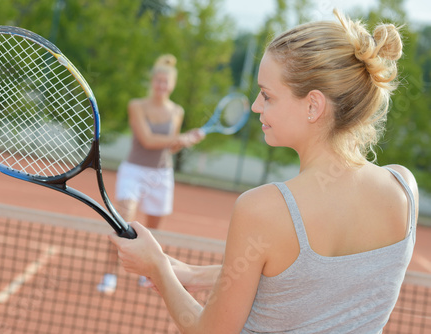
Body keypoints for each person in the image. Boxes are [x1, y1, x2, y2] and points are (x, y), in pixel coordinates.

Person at [109, 9, 419, 333]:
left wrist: (157, 267)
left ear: (313, 105)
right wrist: (194, 275)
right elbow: (311, 283)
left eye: (267, 95)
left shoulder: (264, 210)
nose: (256, 105)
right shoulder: (403, 189)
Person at [97, 54, 205, 294]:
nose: (161, 85)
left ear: (172, 84)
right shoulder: (136, 106)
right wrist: (179, 138)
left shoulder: (177, 111)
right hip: (134, 171)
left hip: (161, 175)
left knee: (152, 232)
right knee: (123, 224)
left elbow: (170, 146)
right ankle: (109, 274)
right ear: (152, 82)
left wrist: (188, 140)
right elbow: (147, 140)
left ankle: (148, 273)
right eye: (158, 80)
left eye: (166, 82)